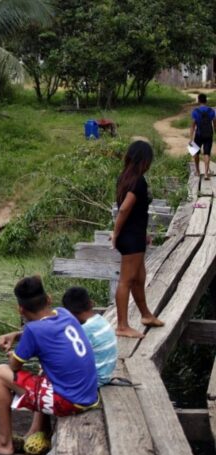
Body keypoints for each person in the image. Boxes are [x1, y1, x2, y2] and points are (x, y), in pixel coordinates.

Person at [0, 276, 98, 455]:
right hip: (88, 395)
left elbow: (13, 367)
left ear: (20, 309)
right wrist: (17, 335)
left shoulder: (33, 331)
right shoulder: (64, 313)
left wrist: (14, 354)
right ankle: (36, 430)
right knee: (43, 369)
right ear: (49, 299)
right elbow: (48, 331)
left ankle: (4, 443)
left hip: (71, 402)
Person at [112, 140, 164, 338]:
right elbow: (125, 208)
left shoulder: (125, 178)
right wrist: (115, 234)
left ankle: (146, 315)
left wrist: (143, 233)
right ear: (144, 160)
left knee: (139, 278)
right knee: (126, 280)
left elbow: (135, 211)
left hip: (135, 235)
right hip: (130, 238)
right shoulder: (138, 181)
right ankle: (122, 326)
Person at [62, 287, 117, 386]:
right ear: (91, 303)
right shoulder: (101, 319)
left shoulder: (84, 330)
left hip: (94, 380)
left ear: (70, 313)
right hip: (105, 374)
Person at [189, 93, 215, 180]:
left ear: (199, 100)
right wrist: (215, 132)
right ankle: (206, 174)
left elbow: (193, 125)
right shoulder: (211, 111)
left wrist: (190, 138)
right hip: (209, 134)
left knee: (195, 152)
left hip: (198, 134)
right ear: (206, 100)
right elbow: (215, 123)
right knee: (207, 153)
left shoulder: (195, 111)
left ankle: (198, 171)